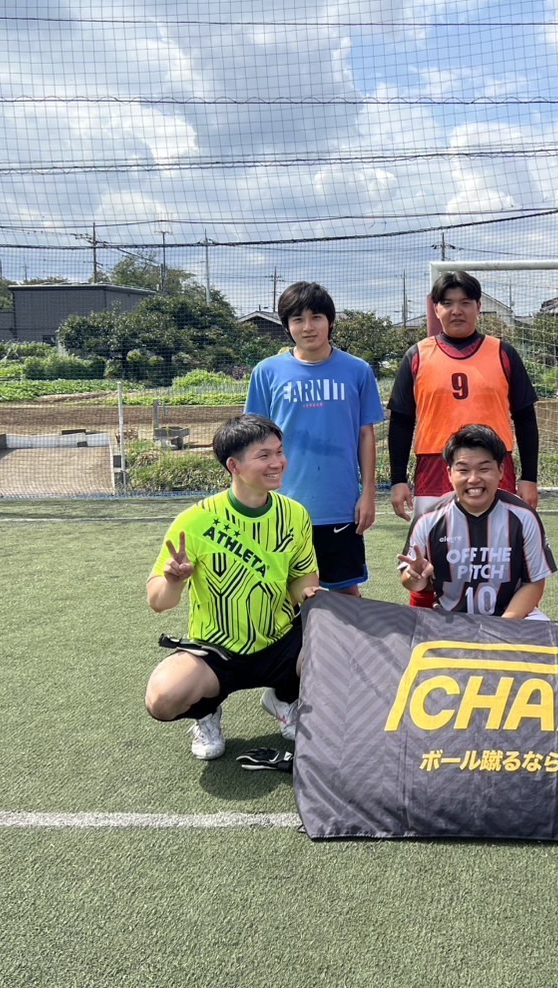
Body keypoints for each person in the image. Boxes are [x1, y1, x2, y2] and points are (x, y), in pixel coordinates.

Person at [143, 415, 320, 761]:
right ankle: (206, 713)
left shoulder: (295, 515)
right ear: (234, 466)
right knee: (162, 699)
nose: (277, 462)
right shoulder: (196, 520)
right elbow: (158, 601)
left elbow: (302, 577)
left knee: (336, 655)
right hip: (216, 651)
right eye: (264, 455)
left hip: (280, 642)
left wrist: (308, 594)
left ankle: (284, 698)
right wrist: (174, 581)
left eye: (279, 452)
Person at [245, 281, 385, 596]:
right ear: (287, 326)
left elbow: (366, 435)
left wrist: (368, 493)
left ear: (330, 321)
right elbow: (255, 440)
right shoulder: (266, 372)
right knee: (283, 596)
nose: (308, 327)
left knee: (346, 594)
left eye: (316, 317)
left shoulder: (357, 370)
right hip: (281, 506)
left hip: (340, 505)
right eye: (298, 319)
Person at [388, 270, 540, 523]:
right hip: (434, 469)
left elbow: (525, 418)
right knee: (432, 546)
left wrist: (529, 478)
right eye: (447, 303)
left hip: (494, 467)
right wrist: (398, 480)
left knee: (497, 544)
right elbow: (401, 421)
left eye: (465, 303)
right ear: (436, 309)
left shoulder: (503, 353)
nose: (456, 311)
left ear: (478, 307)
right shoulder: (417, 356)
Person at [398, 424, 557, 619]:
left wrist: (502, 626)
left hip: (512, 619)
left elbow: (534, 583)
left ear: (500, 470)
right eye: (463, 470)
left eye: (484, 469)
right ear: (449, 474)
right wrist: (414, 576)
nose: (473, 479)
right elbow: (412, 583)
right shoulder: (427, 519)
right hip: (450, 620)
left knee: (543, 633)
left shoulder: (524, 517)